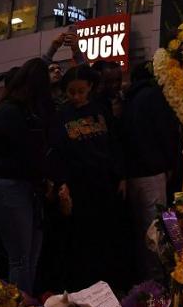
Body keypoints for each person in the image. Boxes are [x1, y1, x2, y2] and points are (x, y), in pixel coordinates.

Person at [45, 65, 127, 291]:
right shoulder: (61, 117)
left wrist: (121, 176)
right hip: (79, 189)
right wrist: (62, 185)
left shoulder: (101, 110)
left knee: (108, 238)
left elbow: (115, 144)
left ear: (90, 87)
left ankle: (112, 287)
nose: (76, 96)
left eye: (81, 91)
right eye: (71, 92)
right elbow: (56, 154)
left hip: (105, 185)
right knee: (83, 242)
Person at [0, 60, 54, 294]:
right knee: (22, 257)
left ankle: (25, 306)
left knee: (29, 255)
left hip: (19, 185)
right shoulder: (11, 113)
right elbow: (25, 153)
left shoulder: (16, 110)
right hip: (10, 186)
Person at [120, 61, 183, 281]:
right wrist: (170, 163)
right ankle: (158, 281)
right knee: (156, 230)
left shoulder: (128, 98)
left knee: (142, 230)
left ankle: (146, 279)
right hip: (152, 170)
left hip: (133, 173)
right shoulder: (154, 97)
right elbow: (165, 132)